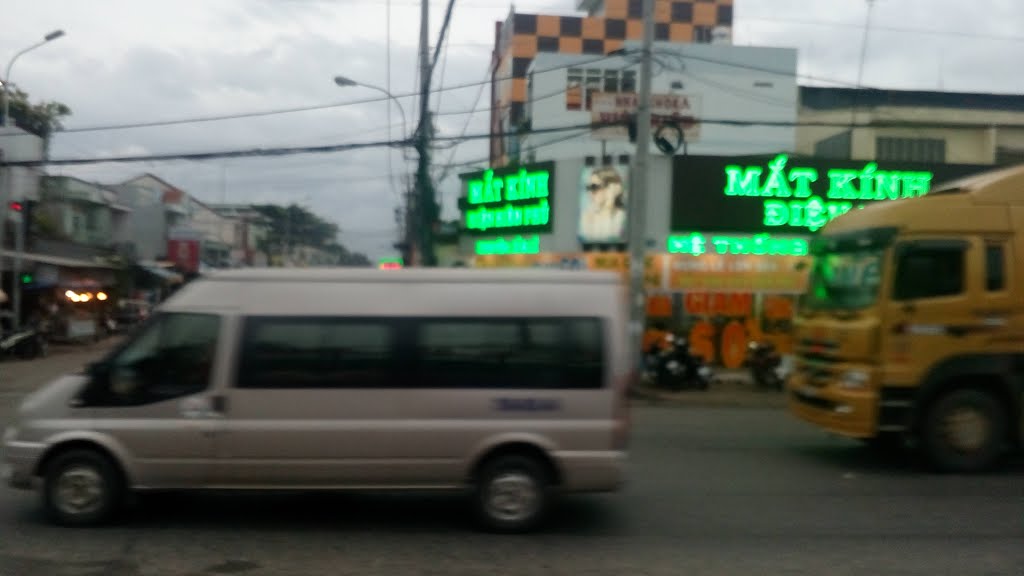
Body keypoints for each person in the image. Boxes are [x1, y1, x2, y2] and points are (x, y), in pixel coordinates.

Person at [579, 166, 627, 243]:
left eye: (594, 187)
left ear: (612, 188)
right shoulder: (587, 217)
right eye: (589, 188)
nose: (590, 193)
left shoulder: (622, 217)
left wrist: (610, 203)